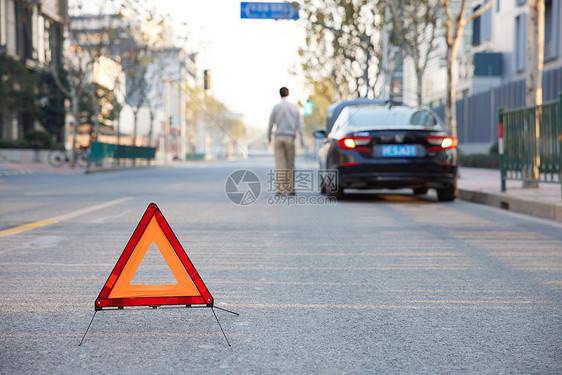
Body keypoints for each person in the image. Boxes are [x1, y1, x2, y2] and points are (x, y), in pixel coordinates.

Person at [267, 86, 305, 195]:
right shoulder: (294, 107)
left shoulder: (276, 107)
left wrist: (269, 137)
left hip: (278, 137)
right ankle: (291, 189)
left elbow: (270, 124)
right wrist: (302, 139)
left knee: (280, 164)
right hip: (290, 138)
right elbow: (300, 124)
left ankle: (281, 190)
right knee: (290, 164)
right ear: (288, 94)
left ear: (280, 94)